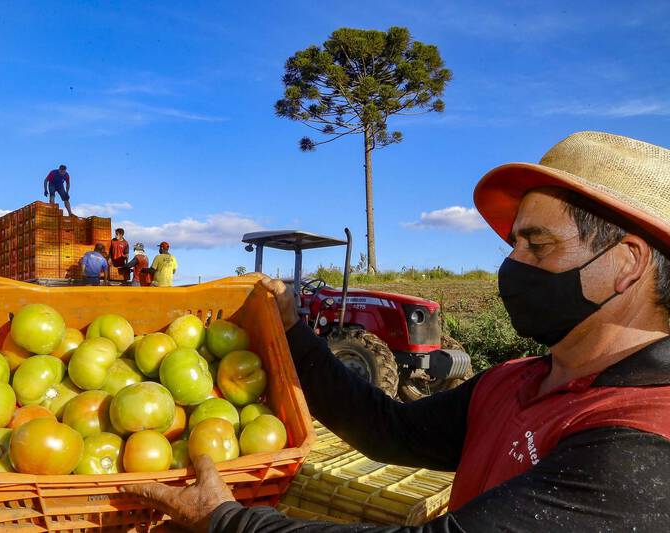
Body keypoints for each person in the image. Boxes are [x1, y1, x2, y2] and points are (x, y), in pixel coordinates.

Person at [122, 131, 670, 531]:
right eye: (514, 246)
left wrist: (228, 522)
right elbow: (388, 429)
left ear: (626, 263)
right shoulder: (511, 384)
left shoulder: (644, 443)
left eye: (538, 245)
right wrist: (293, 331)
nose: (513, 264)